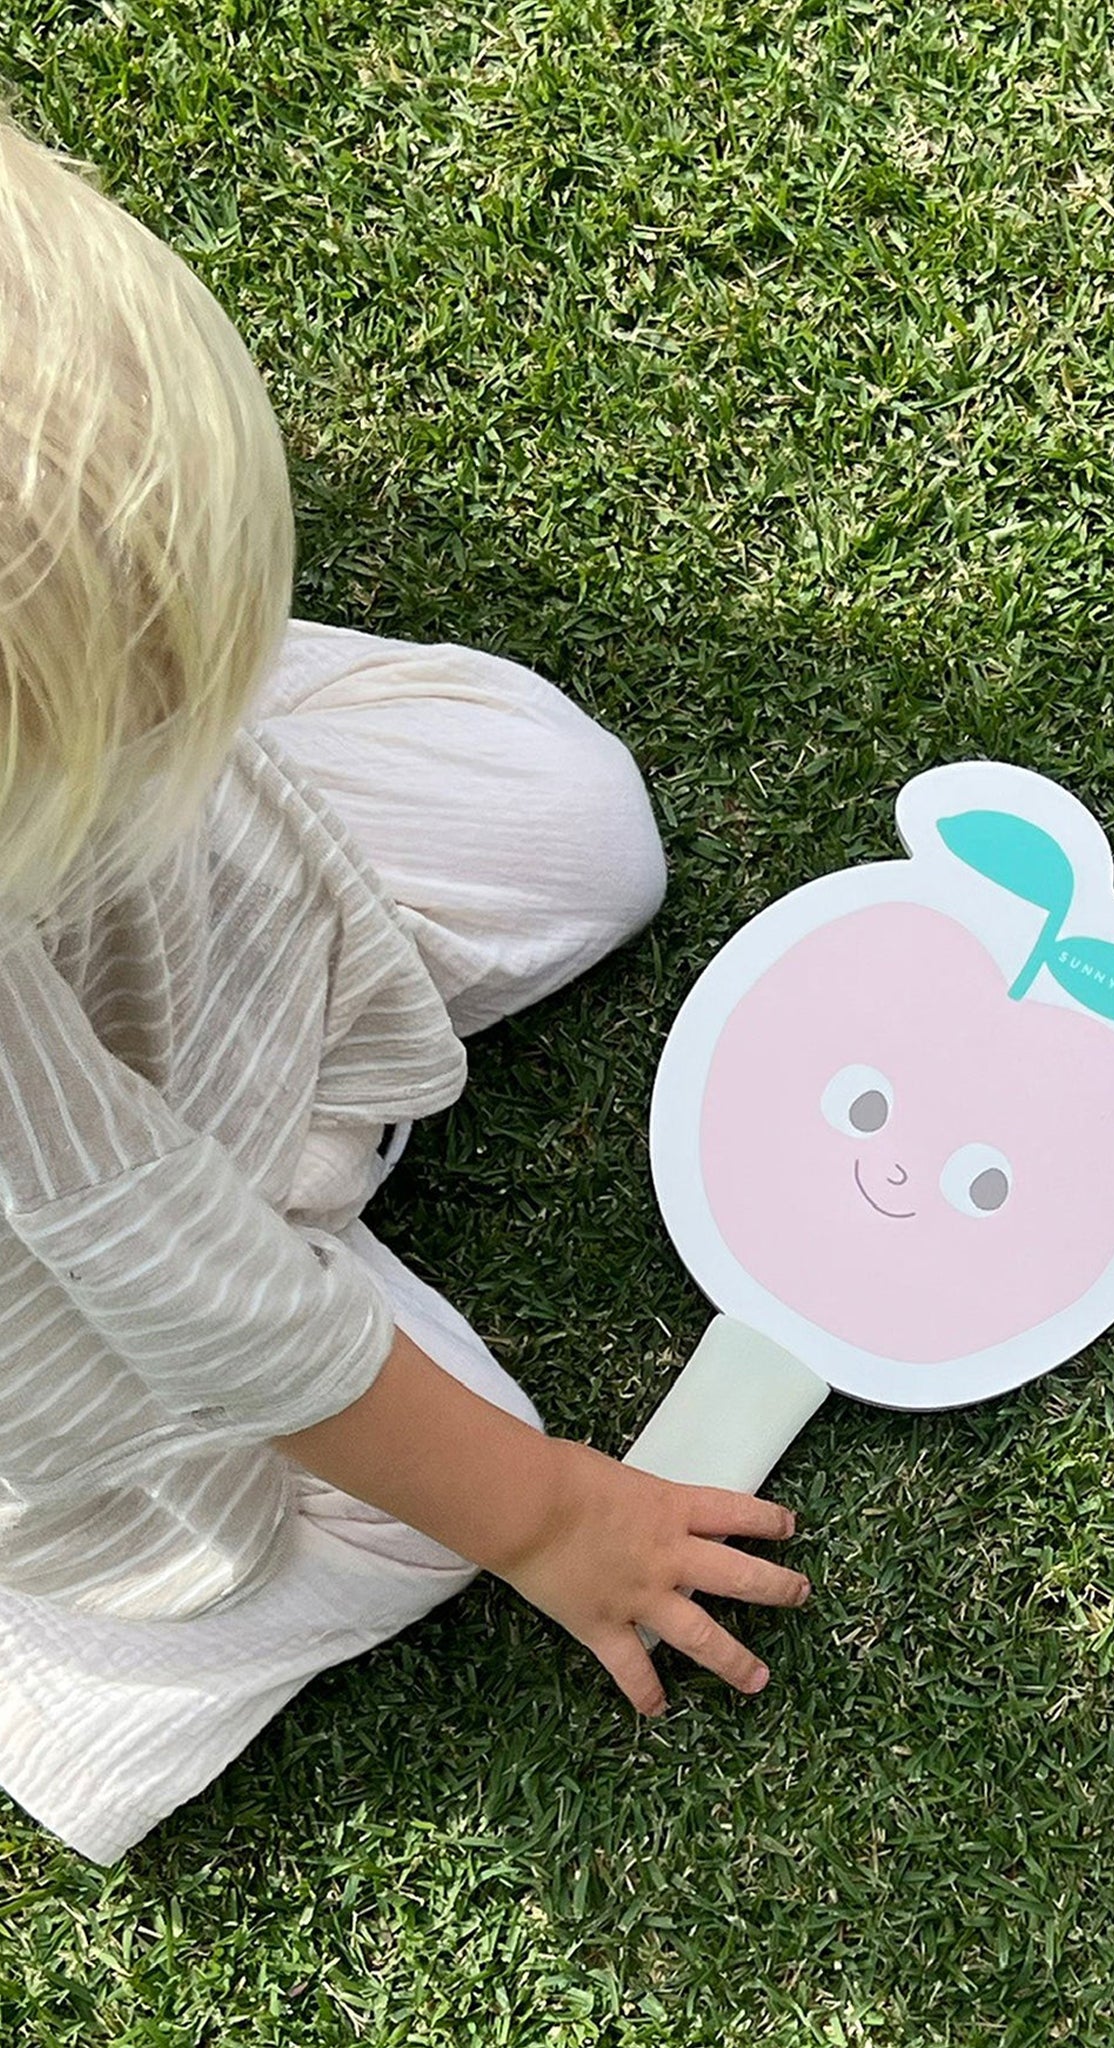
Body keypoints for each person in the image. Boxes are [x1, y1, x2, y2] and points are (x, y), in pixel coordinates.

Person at [0, 112, 810, 1865]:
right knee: (421, 1512)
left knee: (575, 826)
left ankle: (108, 671)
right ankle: (54, 1656)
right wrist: (542, 1517)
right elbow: (198, 1298)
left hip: (191, 915)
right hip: (73, 1267)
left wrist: (137, 648)